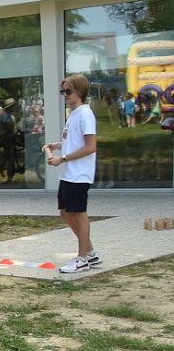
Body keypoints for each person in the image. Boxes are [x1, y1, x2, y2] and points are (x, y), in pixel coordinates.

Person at [43, 74, 100, 274]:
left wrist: (63, 158)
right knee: (65, 213)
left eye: (68, 91)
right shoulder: (74, 114)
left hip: (79, 173)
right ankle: (90, 253)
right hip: (68, 173)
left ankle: (82, 259)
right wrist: (58, 145)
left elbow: (91, 146)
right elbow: (75, 140)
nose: (65, 95)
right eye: (63, 91)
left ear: (80, 91)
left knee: (79, 214)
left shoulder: (85, 114)